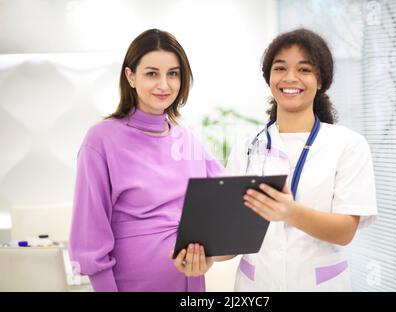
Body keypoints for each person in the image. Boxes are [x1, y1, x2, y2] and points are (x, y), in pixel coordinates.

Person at [220, 28, 378, 291]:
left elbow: (345, 232)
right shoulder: (246, 147)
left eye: (304, 69)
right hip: (256, 287)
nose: (290, 78)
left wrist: (290, 212)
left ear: (321, 80)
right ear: (269, 77)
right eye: (280, 68)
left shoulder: (348, 145)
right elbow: (232, 236)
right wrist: (205, 255)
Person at [69, 29, 223, 292]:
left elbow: (227, 207)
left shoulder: (188, 140)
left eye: (173, 74)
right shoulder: (101, 140)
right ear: (130, 76)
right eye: (152, 73)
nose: (164, 85)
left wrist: (209, 256)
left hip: (190, 284)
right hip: (131, 284)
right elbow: (89, 234)